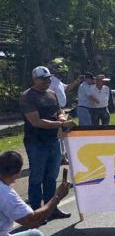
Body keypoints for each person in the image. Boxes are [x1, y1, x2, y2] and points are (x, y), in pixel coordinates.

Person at [19, 66, 74, 220]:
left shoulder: (51, 94)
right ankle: (37, 211)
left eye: (48, 78)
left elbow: (59, 111)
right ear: (34, 79)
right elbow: (36, 121)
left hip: (53, 140)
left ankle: (51, 209)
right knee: (37, 177)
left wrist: (62, 117)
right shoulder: (27, 96)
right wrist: (61, 124)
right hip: (36, 142)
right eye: (43, 79)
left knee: (51, 176)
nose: (47, 81)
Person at [0, 151, 71, 236]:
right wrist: (57, 196)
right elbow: (33, 222)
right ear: (17, 174)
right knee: (35, 234)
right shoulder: (6, 195)